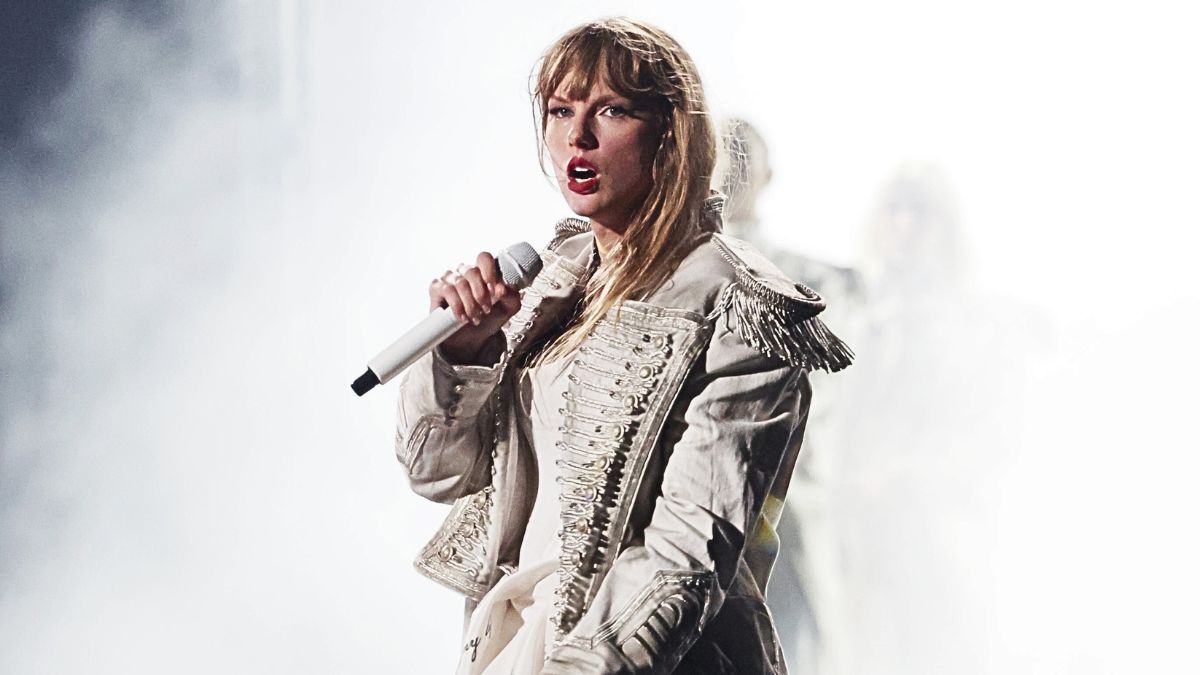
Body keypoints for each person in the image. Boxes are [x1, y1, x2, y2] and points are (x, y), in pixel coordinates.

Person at [394, 18, 852, 674]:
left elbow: (687, 556)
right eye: (559, 110)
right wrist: (463, 352)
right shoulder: (551, 284)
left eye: (610, 110)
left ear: (671, 131)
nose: (576, 137)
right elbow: (434, 470)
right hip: (517, 642)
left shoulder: (737, 303)